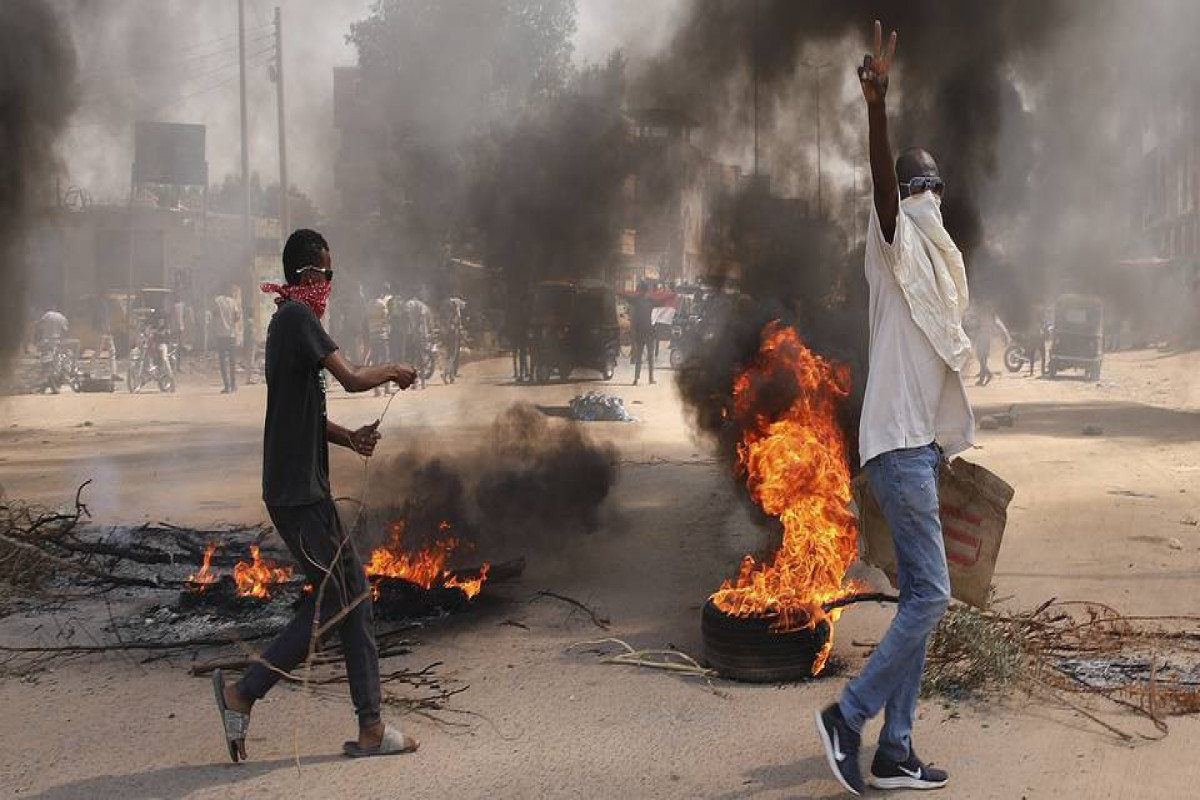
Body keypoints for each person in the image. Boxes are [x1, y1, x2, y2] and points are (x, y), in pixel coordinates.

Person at [814, 22, 974, 796]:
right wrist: (879, 111)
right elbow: (882, 189)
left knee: (919, 596)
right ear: (910, 196)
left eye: (935, 184)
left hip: (919, 450)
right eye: (922, 185)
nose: (930, 195)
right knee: (933, 595)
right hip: (898, 449)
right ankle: (850, 716)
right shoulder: (896, 243)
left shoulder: (935, 271)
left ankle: (896, 749)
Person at [212, 229, 419, 763]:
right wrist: (394, 369)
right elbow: (350, 378)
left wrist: (349, 438)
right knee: (339, 598)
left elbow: (301, 413)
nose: (330, 284)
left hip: (299, 488)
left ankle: (370, 725)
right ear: (309, 273)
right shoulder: (297, 320)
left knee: (351, 596)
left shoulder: (288, 324)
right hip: (298, 492)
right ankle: (245, 691)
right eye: (327, 274)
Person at [972, 302, 1010, 386]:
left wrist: (1005, 338)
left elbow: (1000, 329)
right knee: (982, 360)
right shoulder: (989, 319)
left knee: (982, 359)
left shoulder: (991, 319)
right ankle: (982, 379)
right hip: (983, 339)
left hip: (984, 339)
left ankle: (988, 375)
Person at [213, 286, 241, 393]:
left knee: (223, 362)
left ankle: (227, 386)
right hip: (231, 335)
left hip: (221, 336)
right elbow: (237, 317)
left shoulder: (217, 301)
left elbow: (214, 315)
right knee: (232, 362)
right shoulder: (233, 302)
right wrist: (231, 324)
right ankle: (233, 385)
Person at [365, 286, 392, 397]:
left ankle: (376, 390)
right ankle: (386, 389)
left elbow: (366, 320)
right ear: (380, 294)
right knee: (386, 362)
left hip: (373, 336)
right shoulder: (382, 304)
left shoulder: (368, 305)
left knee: (375, 363)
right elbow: (386, 318)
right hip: (382, 336)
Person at [629, 280, 655, 385]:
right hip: (649, 332)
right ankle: (651, 378)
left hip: (640, 333)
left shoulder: (636, 302)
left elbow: (634, 319)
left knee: (639, 357)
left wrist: (633, 334)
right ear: (646, 291)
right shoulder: (650, 302)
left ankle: (636, 378)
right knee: (650, 356)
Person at [440, 295, 466, 383]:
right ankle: (445, 373)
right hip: (453, 335)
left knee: (449, 355)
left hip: (447, 335)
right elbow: (457, 324)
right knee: (452, 355)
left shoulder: (447, 315)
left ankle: (451, 376)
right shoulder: (455, 313)